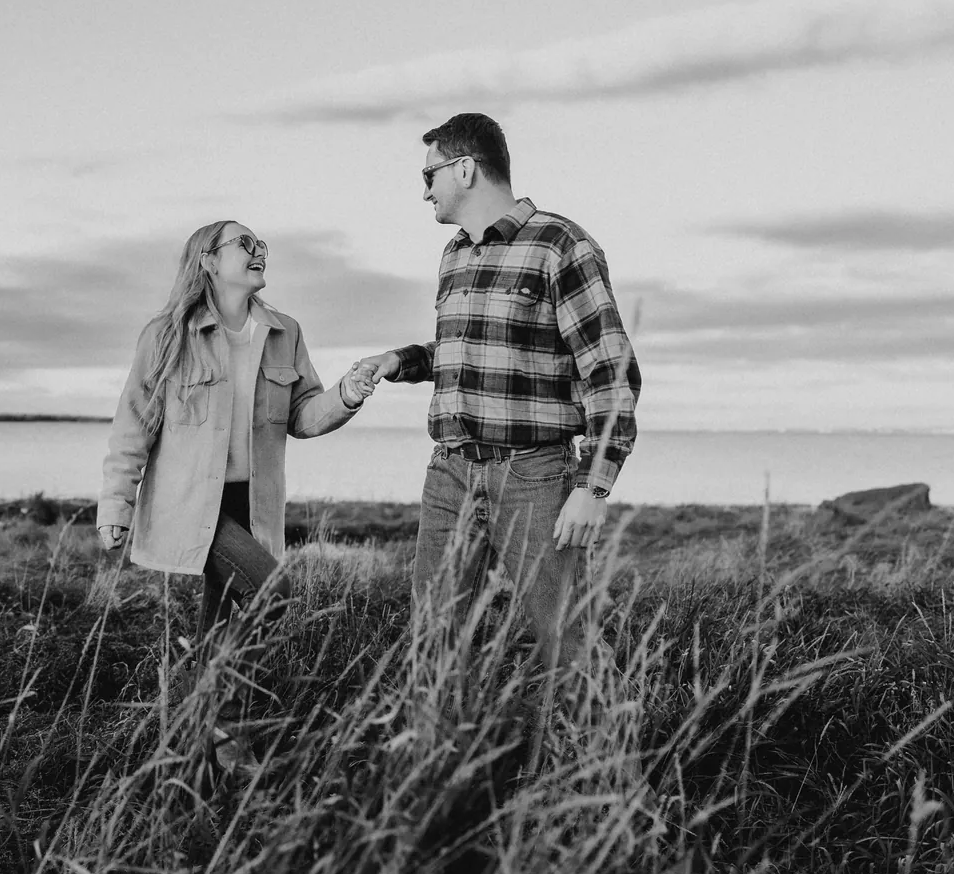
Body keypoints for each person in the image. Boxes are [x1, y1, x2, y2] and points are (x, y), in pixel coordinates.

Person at [356, 113, 641, 674]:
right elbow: (472, 353)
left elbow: (611, 371)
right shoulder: (455, 254)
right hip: (450, 473)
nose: (424, 191)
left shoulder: (560, 245)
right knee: (433, 643)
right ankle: (438, 763)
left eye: (429, 173)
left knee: (567, 643)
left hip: (533, 477)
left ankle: (608, 760)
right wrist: (401, 361)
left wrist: (594, 486)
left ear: (465, 169)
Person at [99, 220, 376, 639]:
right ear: (208, 260)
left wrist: (347, 394)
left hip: (253, 500)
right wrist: (116, 505)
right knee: (272, 593)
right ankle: (218, 695)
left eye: (261, 243)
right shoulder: (167, 335)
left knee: (221, 619)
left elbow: (302, 415)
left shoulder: (286, 332)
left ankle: (208, 698)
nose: (259, 250)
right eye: (244, 243)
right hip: (191, 501)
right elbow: (134, 425)